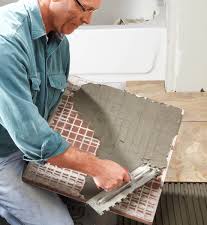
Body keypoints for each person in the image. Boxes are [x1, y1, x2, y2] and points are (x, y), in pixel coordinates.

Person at [0, 0, 130, 224]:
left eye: (93, 11)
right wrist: (97, 167)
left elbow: (51, 101)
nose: (88, 20)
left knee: (102, 212)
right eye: (84, 8)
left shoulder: (59, 41)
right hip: (4, 156)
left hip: (29, 147)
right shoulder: (7, 43)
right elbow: (31, 137)